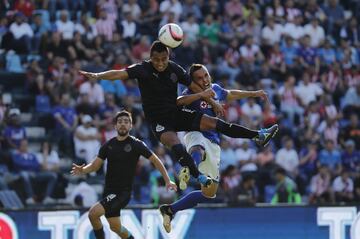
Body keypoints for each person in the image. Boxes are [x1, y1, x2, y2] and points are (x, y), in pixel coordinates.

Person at [79, 40, 278, 190]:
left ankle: (258, 135)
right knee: (176, 145)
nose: (159, 63)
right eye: (156, 60)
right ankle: (197, 175)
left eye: (163, 59)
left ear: (168, 57)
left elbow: (194, 87)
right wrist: (98, 75)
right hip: (159, 121)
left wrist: (213, 102)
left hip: (175, 113)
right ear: (151, 57)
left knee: (215, 123)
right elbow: (119, 73)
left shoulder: (175, 69)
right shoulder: (142, 69)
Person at [159, 63, 272, 232]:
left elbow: (231, 94)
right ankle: (188, 168)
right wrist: (200, 95)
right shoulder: (191, 92)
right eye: (199, 78)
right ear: (193, 81)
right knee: (198, 148)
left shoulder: (215, 89)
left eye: (206, 75)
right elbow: (178, 102)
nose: (204, 80)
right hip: (195, 133)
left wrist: (254, 93)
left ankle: (170, 210)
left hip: (214, 142)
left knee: (209, 193)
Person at [71, 110, 177, 239]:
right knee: (115, 227)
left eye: (126, 122)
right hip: (109, 191)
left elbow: (155, 160)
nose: (122, 124)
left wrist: (167, 180)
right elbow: (95, 166)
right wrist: (83, 170)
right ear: (115, 126)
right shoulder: (108, 145)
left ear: (130, 126)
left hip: (122, 193)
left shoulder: (136, 144)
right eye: (120, 122)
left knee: (93, 214)